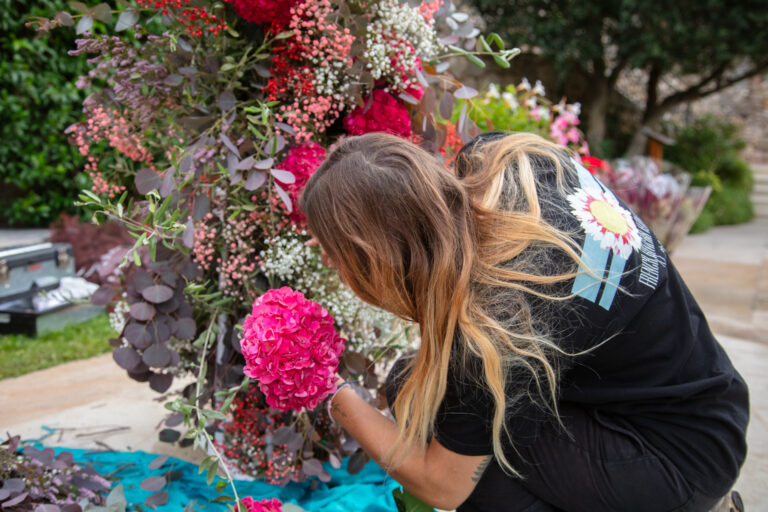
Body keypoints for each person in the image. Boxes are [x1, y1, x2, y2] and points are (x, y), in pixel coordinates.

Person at [299, 131, 749, 512]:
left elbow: (443, 485)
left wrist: (327, 390)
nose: (327, 259)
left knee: (461, 453)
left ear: (375, 256)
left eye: (333, 250)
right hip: (710, 401)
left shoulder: (496, 325)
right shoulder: (508, 159)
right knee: (417, 389)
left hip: (676, 460)